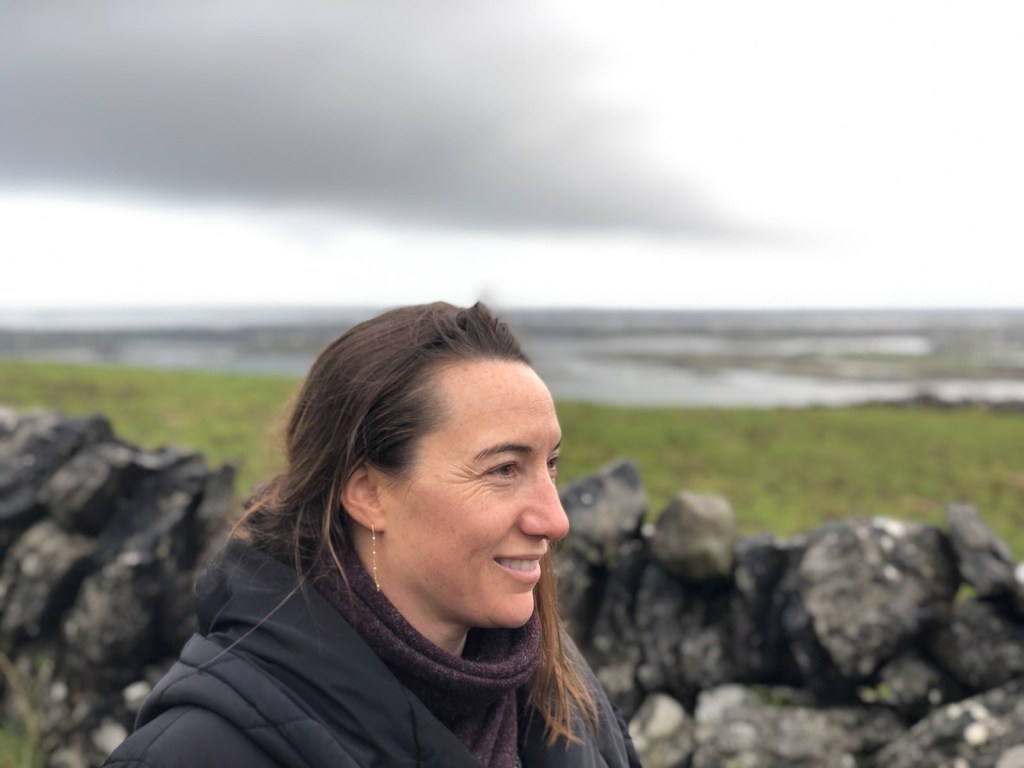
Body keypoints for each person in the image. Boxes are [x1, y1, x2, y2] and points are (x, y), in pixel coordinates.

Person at [104, 301, 641, 768]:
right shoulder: (189, 754)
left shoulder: (564, 696)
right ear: (367, 494)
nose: (555, 520)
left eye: (551, 465)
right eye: (503, 470)